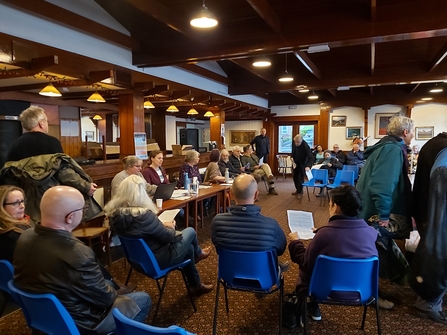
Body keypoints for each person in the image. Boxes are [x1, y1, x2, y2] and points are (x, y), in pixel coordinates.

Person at [13, 186, 151, 334]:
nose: (84, 212)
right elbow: (106, 299)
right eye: (83, 209)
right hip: (81, 323)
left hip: (44, 317)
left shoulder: (25, 237)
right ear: (70, 217)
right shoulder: (78, 253)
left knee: (109, 284)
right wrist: (110, 289)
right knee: (142, 299)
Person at [104, 175, 213, 295]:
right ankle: (198, 255)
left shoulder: (115, 215)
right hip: (158, 260)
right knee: (191, 231)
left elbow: (141, 230)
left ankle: (195, 285)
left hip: (138, 260)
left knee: (189, 250)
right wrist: (170, 227)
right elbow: (168, 237)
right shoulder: (144, 216)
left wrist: (159, 225)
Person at [288, 185, 378, 321]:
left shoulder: (325, 235)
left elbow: (304, 262)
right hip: (363, 291)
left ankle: (308, 307)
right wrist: (321, 231)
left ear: (335, 207)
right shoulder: (371, 232)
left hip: (324, 290)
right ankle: (314, 308)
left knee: (309, 270)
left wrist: (296, 242)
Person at [356, 115, 414, 309]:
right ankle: (371, 293)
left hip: (370, 208)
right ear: (405, 132)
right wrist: (382, 214)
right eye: (412, 132)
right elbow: (382, 185)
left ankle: (375, 289)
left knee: (378, 249)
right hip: (378, 212)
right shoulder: (391, 149)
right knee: (375, 252)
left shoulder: (383, 146)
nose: (412, 136)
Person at [410, 132, 447, 324]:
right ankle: (428, 303)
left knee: (431, 254)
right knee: (436, 257)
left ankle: (427, 299)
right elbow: (442, 173)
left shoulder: (433, 143)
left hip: (427, 211)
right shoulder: (444, 148)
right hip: (436, 215)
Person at [0, 153, 100, 224]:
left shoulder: (16, 145)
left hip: (25, 201)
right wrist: (86, 186)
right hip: (52, 199)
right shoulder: (52, 143)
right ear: (42, 124)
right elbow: (64, 172)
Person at [211, 174, 286, 263]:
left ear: (231, 194)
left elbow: (217, 247)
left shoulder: (217, 222)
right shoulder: (272, 225)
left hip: (230, 274)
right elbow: (281, 249)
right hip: (262, 274)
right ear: (256, 195)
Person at [0, 186, 29, 262]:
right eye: (16, 203)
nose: (22, 206)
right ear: (2, 207)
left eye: (22, 201)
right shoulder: (15, 234)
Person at [290, 134, 314, 199]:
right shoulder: (294, 142)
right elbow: (293, 150)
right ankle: (298, 189)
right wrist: (292, 156)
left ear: (301, 140)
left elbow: (311, 158)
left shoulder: (306, 146)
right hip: (295, 163)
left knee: (300, 178)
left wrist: (308, 166)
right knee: (295, 177)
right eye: (295, 142)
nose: (296, 143)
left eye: (298, 142)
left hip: (303, 163)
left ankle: (300, 192)